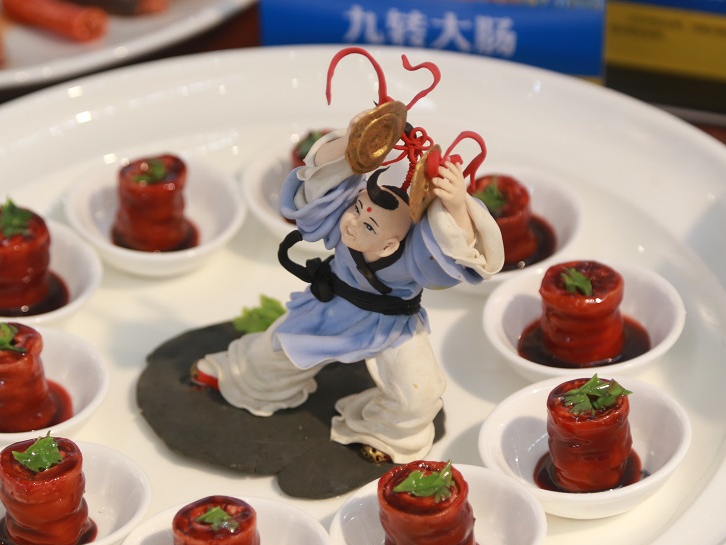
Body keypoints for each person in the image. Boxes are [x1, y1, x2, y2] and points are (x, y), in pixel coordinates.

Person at [193, 110, 504, 464]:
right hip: (330, 305)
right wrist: (352, 141)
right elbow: (319, 186)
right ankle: (234, 377)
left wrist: (457, 206)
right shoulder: (342, 219)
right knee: (271, 353)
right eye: (357, 209)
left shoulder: (414, 256)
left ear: (390, 245)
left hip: (392, 325)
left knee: (420, 393)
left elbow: (454, 254)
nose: (353, 223)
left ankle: (385, 434)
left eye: (369, 226)